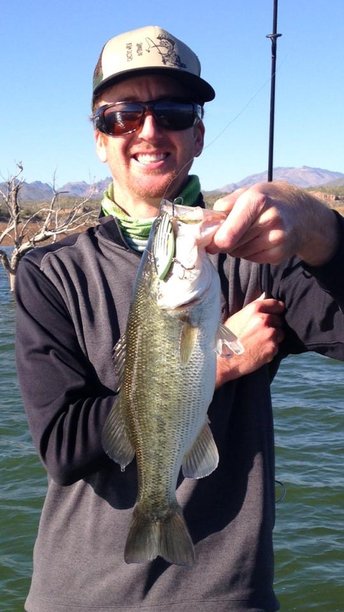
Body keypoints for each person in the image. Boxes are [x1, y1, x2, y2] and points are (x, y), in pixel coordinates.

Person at [15, 25, 344, 612]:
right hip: (75, 595)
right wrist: (216, 363)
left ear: (197, 133)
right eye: (122, 115)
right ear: (99, 138)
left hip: (224, 594)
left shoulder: (262, 257)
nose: (148, 131)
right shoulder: (49, 273)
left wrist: (320, 234)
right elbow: (62, 447)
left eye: (171, 111)